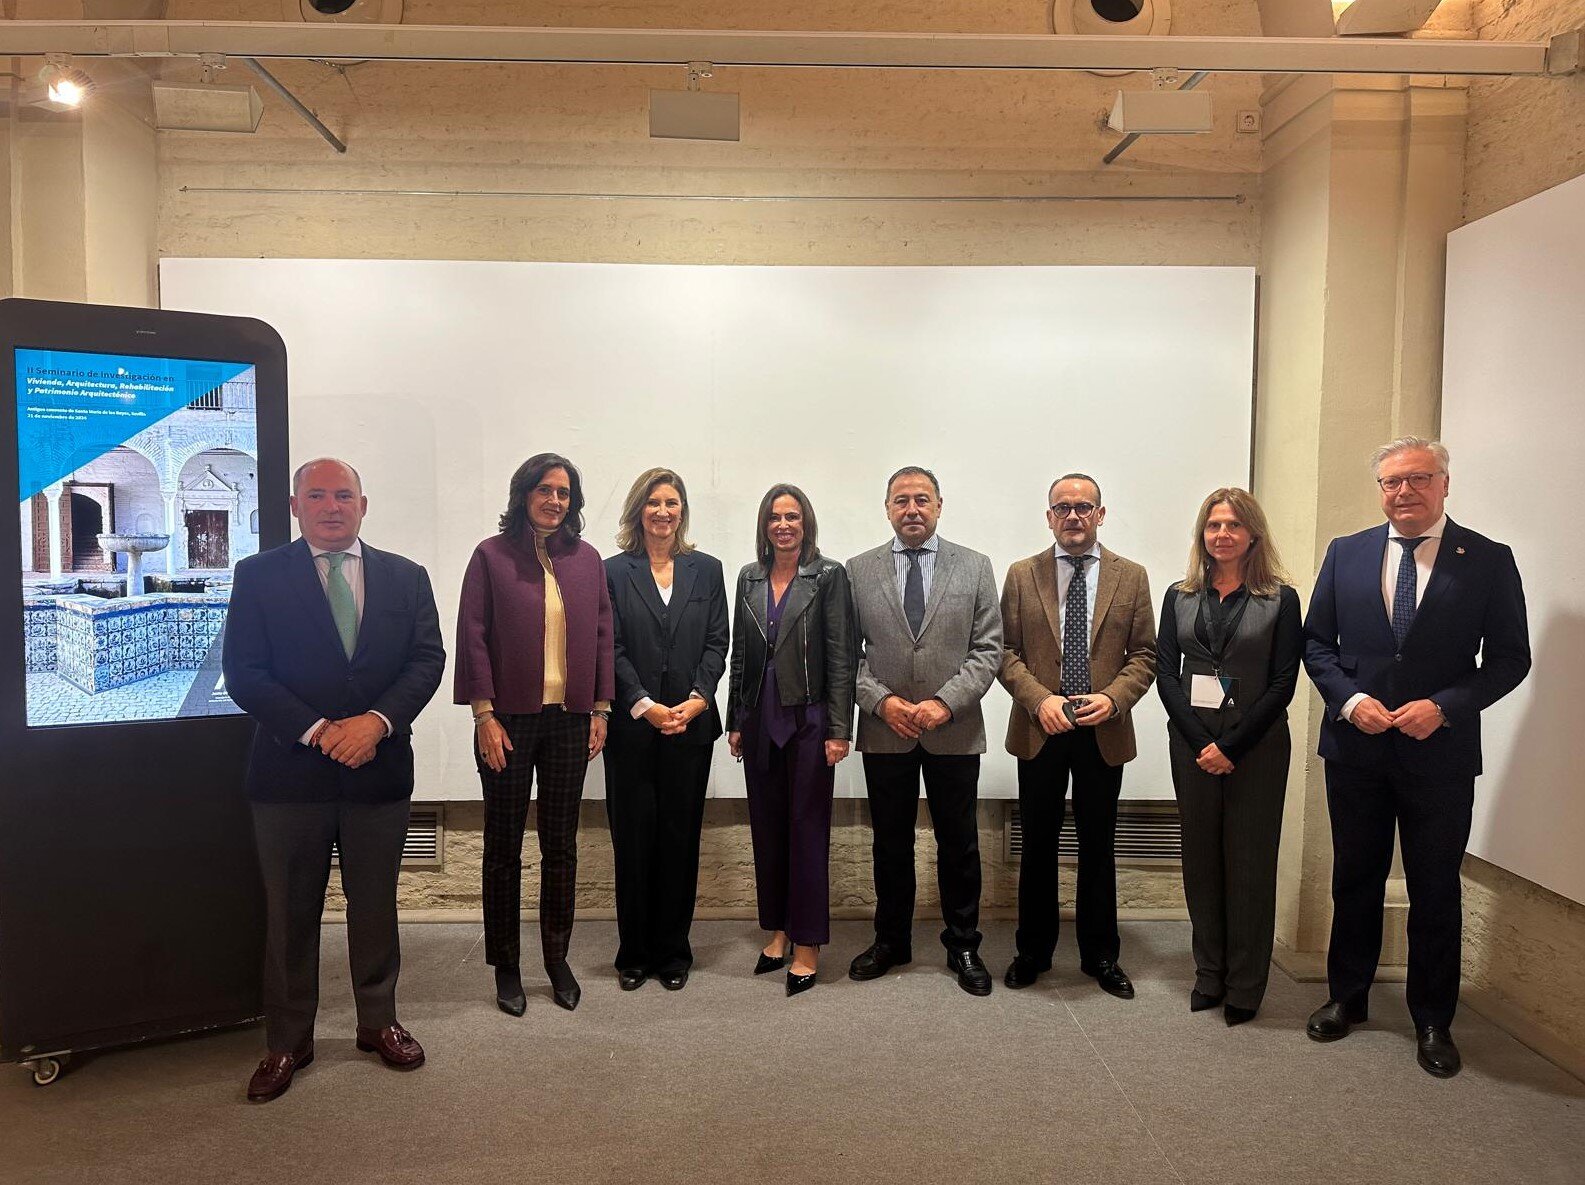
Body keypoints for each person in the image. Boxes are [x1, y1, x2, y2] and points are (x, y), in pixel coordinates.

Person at [1303, 436, 1529, 1078]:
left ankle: (1433, 1019)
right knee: (1355, 878)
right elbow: (1316, 643)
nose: (1404, 491)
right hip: (1357, 749)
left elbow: (1510, 659)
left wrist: (1445, 706)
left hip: (1440, 755)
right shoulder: (1345, 553)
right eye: (1392, 482)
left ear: (1444, 484)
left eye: (1419, 478)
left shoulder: (1487, 559)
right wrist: (1350, 701)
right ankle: (1347, 998)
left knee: (1435, 888)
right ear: (1380, 489)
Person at [223, 457, 445, 1103]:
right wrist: (321, 730)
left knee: (375, 907)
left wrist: (376, 723)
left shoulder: (406, 576)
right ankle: (288, 1039)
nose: (331, 506)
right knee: (290, 914)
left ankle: (378, 1021)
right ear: (295, 506)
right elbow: (244, 672)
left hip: (379, 772)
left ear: (363, 505)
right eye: (316, 495)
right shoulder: (258, 575)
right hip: (288, 776)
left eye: (343, 495)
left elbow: (427, 659)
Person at [455, 453, 614, 1016]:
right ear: (523, 495)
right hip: (507, 721)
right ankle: (506, 964)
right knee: (503, 846)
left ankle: (556, 957)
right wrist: (483, 714)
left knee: (560, 846)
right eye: (544, 489)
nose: (554, 500)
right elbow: (473, 633)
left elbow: (603, 632)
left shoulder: (588, 560)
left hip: (570, 718)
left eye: (564, 492)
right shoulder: (490, 556)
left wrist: (601, 708)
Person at [998, 473, 1156, 1000]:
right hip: (1041, 727)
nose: (1073, 516)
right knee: (1038, 844)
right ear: (1049, 517)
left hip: (1102, 729)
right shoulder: (1022, 574)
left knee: (1098, 845)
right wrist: (1039, 700)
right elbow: (1004, 652)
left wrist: (1114, 698)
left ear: (1100, 514)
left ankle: (1101, 955)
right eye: (1062, 507)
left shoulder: (1131, 576)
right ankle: (1032, 951)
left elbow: (1145, 655)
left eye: (1083, 507)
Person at [846, 466, 1001, 996]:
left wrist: (944, 703)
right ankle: (891, 940)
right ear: (887, 508)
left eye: (922, 499)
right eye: (901, 500)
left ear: (939, 505)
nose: (912, 509)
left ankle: (963, 944)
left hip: (953, 729)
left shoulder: (975, 566)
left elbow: (988, 649)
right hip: (885, 729)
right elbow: (845, 654)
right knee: (890, 843)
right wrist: (881, 702)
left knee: (959, 843)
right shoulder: (857, 570)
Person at [1156, 488, 1300, 1025]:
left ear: (1252, 534)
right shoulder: (1179, 596)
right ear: (1203, 534)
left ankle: (1245, 984)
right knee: (1201, 861)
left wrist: (1230, 746)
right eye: (1214, 525)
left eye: (1234, 525)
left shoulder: (1280, 599)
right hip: (1192, 746)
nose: (1222, 534)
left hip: (1256, 748)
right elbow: (1166, 674)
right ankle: (1209, 973)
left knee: (1250, 865)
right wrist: (1202, 744)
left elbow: (1283, 683)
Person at [726, 484, 856, 996]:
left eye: (793, 517)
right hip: (759, 718)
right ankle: (778, 931)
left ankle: (807, 944)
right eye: (775, 517)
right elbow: (740, 653)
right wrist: (736, 719)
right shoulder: (749, 577)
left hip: (809, 720)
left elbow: (841, 656)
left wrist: (840, 729)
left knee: (807, 831)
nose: (784, 525)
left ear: (806, 524)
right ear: (765, 525)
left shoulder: (828, 575)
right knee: (768, 829)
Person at [603, 468, 729, 992]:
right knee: (633, 842)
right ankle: (634, 953)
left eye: (671, 503)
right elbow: (609, 647)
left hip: (690, 728)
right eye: (653, 502)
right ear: (639, 510)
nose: (662, 512)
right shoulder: (612, 572)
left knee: (680, 840)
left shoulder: (707, 570)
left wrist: (699, 698)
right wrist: (643, 704)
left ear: (682, 511)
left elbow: (717, 642)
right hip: (633, 730)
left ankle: (674, 952)